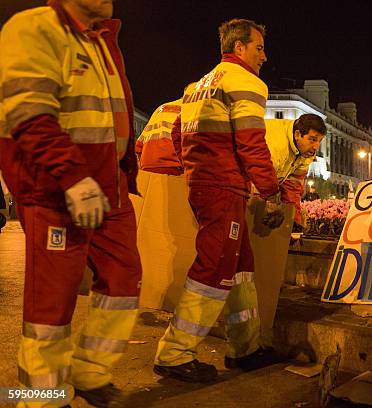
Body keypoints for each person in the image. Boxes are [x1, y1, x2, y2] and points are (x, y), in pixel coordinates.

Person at [0, 0, 142, 406]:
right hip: (56, 189)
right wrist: (73, 178)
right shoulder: (34, 28)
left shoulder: (101, 39)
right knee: (52, 303)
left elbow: (114, 117)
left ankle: (90, 372)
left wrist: (121, 173)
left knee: (124, 279)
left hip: (107, 186)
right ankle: (43, 396)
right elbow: (29, 113)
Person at [154, 18, 283, 382]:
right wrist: (270, 192)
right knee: (214, 267)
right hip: (224, 188)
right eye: (258, 47)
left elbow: (178, 132)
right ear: (238, 48)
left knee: (239, 265)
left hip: (205, 185)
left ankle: (246, 348)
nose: (264, 55)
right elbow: (251, 142)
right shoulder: (245, 81)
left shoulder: (196, 87)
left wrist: (195, 168)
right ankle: (175, 353)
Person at [265, 114, 326, 223]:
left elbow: (292, 187)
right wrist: (272, 202)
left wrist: (294, 221)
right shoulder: (276, 145)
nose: (316, 146)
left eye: (319, 141)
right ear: (297, 134)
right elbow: (259, 178)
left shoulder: (306, 152)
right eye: (313, 139)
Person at [135, 99, 183, 175]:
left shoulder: (161, 108)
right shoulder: (191, 109)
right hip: (173, 166)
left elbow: (139, 144)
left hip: (147, 166)